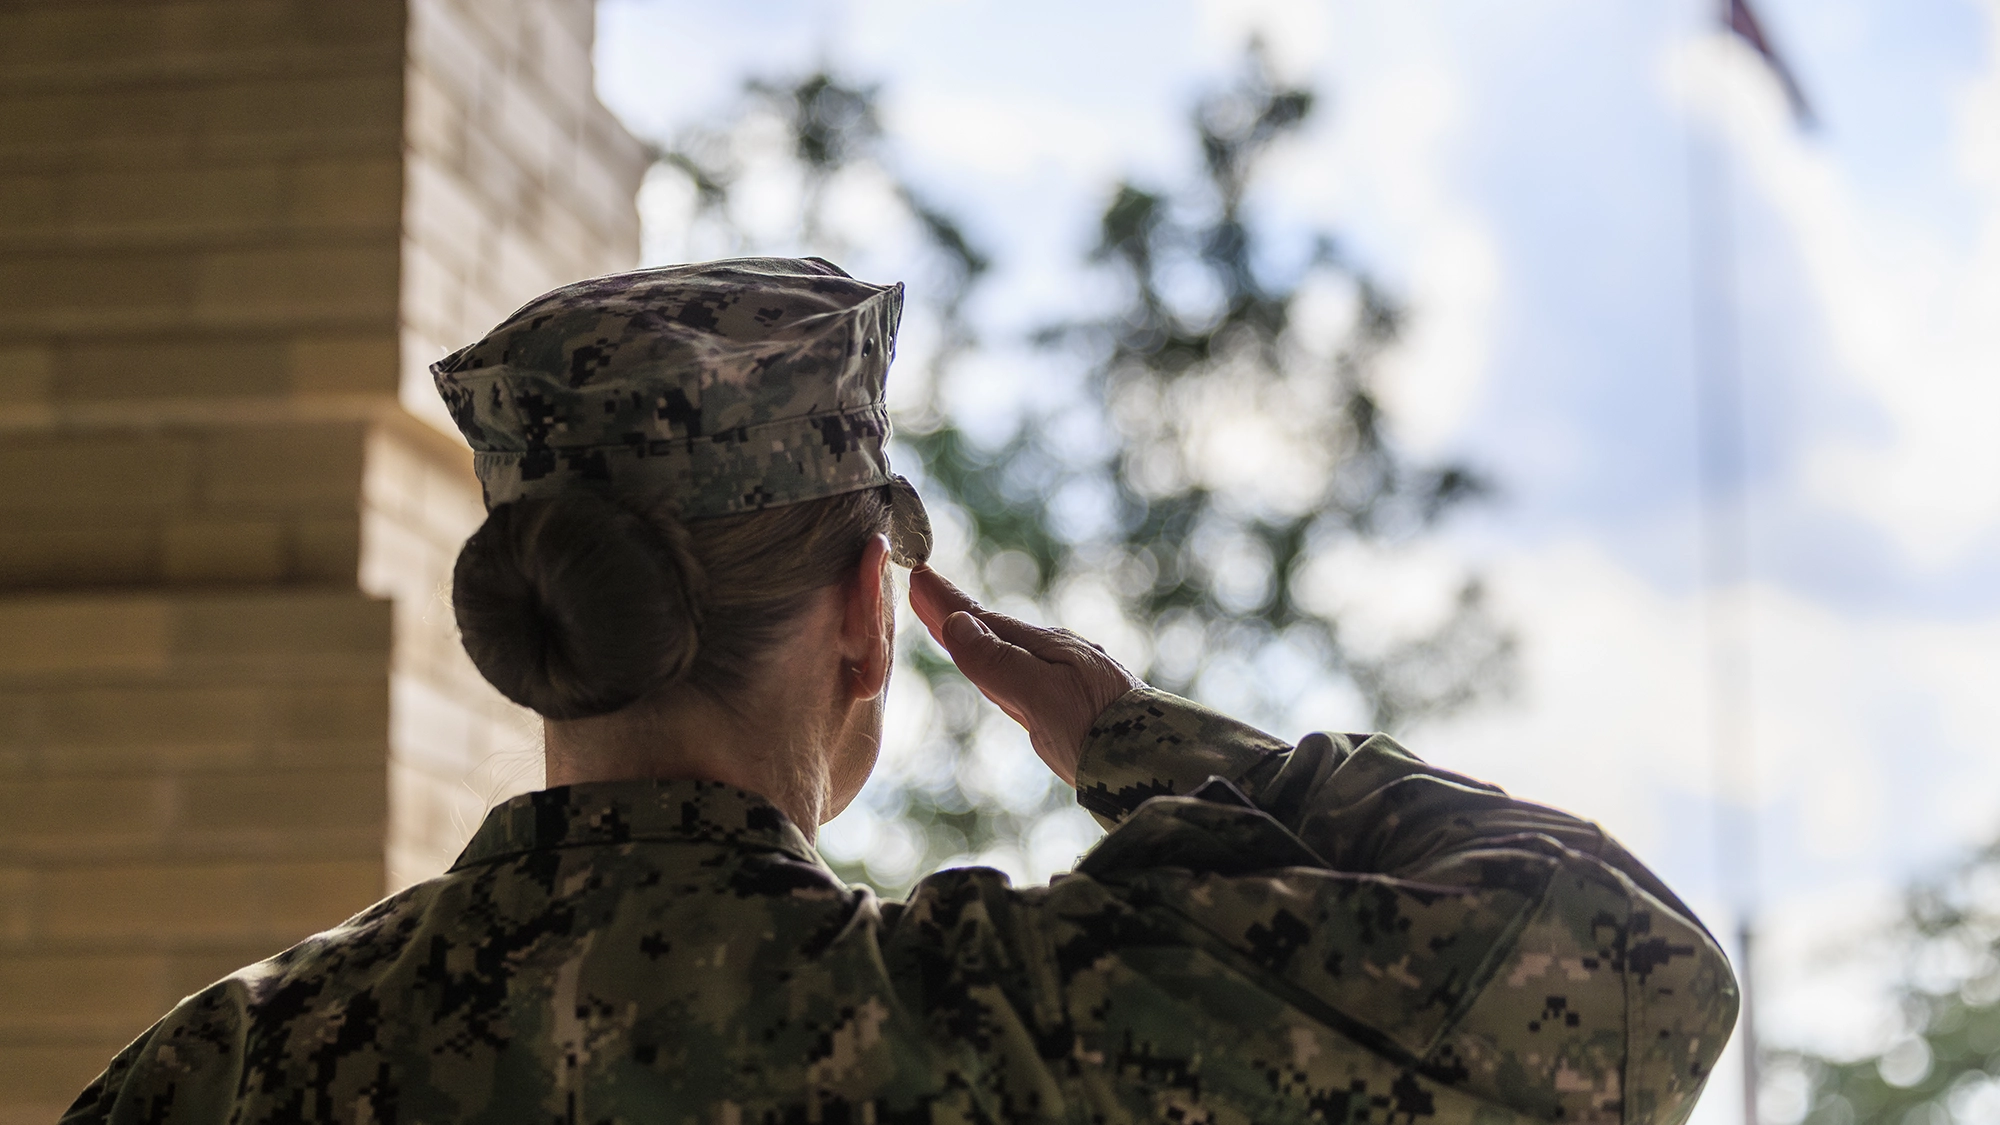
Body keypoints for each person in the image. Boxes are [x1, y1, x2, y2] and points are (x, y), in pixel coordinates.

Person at [62, 258, 1738, 1125]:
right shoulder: (1022, 1027)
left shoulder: (229, 1070)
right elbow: (1631, 975)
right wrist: (1139, 739)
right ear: (873, 614)